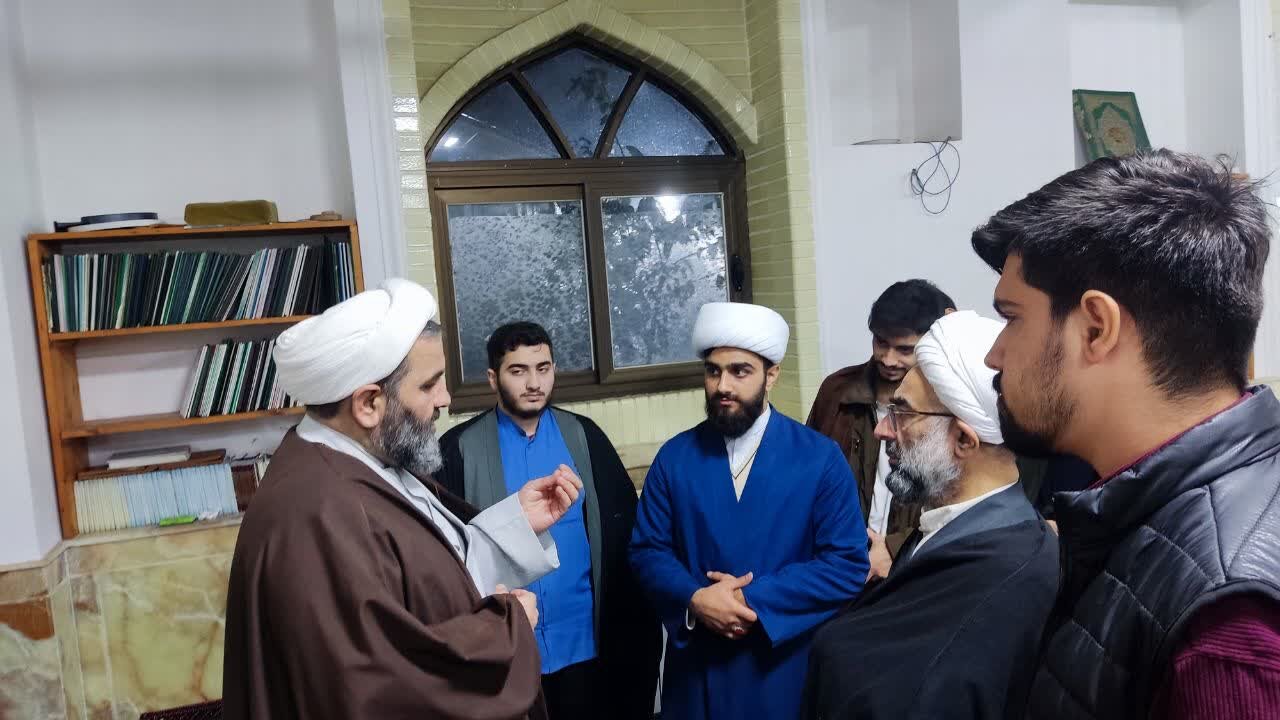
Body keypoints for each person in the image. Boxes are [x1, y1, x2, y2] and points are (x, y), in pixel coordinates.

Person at [974, 150, 1280, 719]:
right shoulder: (1160, 511)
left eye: (1012, 317)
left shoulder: (1228, 628)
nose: (995, 354)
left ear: (1097, 328)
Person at [223, 279, 585, 720]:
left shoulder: (368, 457)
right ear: (368, 404)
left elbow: (429, 571)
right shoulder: (316, 512)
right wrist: (506, 629)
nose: (445, 399)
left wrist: (517, 523)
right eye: (429, 385)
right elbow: (373, 687)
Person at [802, 311, 1059, 720]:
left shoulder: (1005, 567)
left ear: (964, 440)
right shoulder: (953, 526)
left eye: (901, 414)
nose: (882, 431)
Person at [629, 301, 869, 720]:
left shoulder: (819, 458)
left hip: (780, 668)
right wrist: (695, 599)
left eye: (739, 371)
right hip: (697, 670)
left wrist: (749, 599)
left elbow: (846, 563)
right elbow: (648, 550)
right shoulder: (675, 457)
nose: (723, 385)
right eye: (713, 371)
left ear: (771, 375)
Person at [437, 321, 662, 720]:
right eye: (518, 370)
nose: (533, 383)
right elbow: (444, 560)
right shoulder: (459, 451)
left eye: (543, 368)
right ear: (493, 378)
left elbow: (627, 542)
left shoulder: (585, 438)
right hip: (508, 655)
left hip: (586, 650)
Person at [807, 279, 956, 577]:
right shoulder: (836, 391)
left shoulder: (953, 404)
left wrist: (894, 548)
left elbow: (967, 503)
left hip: (913, 571)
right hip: (837, 565)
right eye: (881, 343)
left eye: (905, 349)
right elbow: (807, 476)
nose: (888, 359)